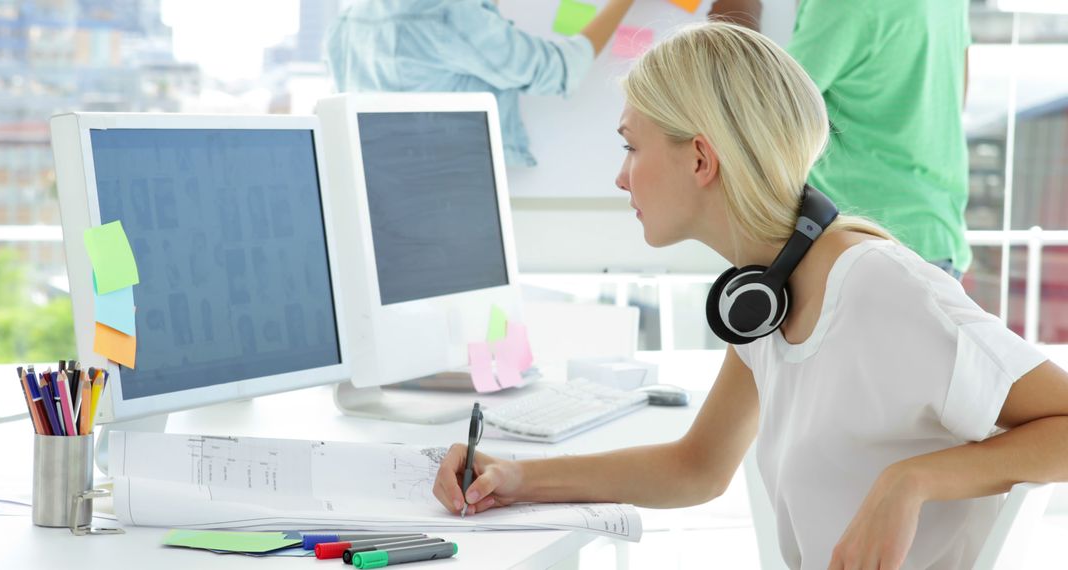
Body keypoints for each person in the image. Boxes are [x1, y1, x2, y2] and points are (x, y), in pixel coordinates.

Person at [431, 22, 1068, 569]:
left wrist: (912, 481)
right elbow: (696, 468)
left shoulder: (879, 287)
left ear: (701, 159)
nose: (620, 175)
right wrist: (516, 479)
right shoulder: (767, 295)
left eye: (632, 146)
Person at [707, 0, 972, 278]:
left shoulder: (842, 6)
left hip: (867, 245)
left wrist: (734, 17)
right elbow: (956, 94)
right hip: (933, 233)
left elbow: (764, 118)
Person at [325, 0, 636, 167]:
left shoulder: (346, 22)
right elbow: (559, 68)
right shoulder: (451, 13)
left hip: (378, 186)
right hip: (456, 189)